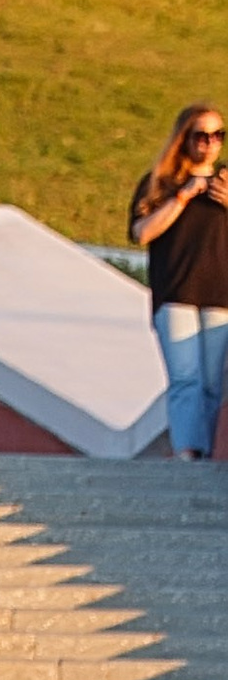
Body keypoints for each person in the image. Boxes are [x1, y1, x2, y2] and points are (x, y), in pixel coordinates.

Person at [128, 103, 228, 459]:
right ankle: (188, 454)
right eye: (201, 136)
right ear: (184, 138)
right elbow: (142, 232)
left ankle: (202, 452)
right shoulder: (160, 182)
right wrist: (182, 196)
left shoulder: (225, 183)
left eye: (218, 135)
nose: (210, 144)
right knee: (186, 378)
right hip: (176, 294)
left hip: (221, 296)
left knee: (214, 384)